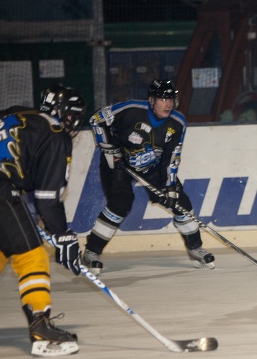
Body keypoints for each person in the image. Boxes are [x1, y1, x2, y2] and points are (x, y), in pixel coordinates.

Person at [82, 79, 214, 275]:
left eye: (171, 99)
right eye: (163, 99)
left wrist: (170, 186)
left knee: (180, 202)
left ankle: (195, 248)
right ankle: (91, 252)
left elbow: (172, 156)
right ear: (151, 100)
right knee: (121, 203)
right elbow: (96, 119)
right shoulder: (131, 109)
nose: (168, 104)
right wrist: (110, 149)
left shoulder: (177, 123)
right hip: (119, 164)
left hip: (153, 166)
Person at [0, 84, 87, 356]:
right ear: (59, 111)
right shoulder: (56, 133)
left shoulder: (17, 115)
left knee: (2, 250)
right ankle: (40, 328)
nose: (74, 122)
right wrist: (64, 235)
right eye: (71, 115)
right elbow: (48, 198)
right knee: (31, 254)